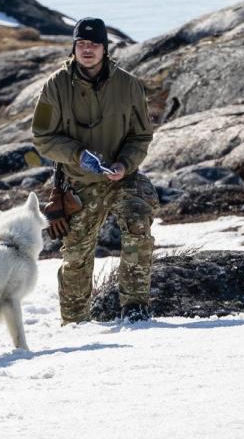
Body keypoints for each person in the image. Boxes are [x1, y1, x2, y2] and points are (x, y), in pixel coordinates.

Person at [31, 17, 157, 324]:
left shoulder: (129, 86)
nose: (87, 50)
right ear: (74, 47)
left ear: (105, 48)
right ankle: (74, 322)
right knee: (75, 255)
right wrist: (75, 154)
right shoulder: (54, 86)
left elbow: (141, 136)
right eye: (82, 44)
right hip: (79, 183)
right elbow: (42, 138)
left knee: (137, 225)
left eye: (94, 44)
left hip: (122, 178)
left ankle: (135, 308)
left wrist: (124, 164)